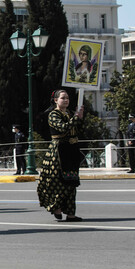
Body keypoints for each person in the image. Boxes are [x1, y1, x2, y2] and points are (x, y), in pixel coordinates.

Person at [37, 90, 84, 222]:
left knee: (72, 182)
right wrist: (76, 117)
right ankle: (56, 208)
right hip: (59, 152)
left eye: (67, 98)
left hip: (71, 150)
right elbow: (63, 128)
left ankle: (70, 214)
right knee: (58, 182)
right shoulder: (53, 114)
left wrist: (79, 118)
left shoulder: (69, 113)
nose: (66, 100)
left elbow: (75, 129)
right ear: (56, 100)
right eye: (63, 98)